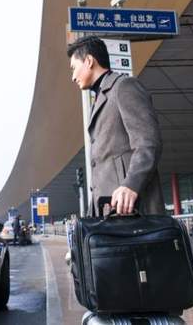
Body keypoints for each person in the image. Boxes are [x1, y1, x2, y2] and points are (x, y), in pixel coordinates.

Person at [67, 36, 165, 216]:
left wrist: (131, 185)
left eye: (74, 68)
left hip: (132, 209)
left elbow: (148, 143)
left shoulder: (124, 86)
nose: (73, 77)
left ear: (89, 61)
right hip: (108, 211)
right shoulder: (100, 98)